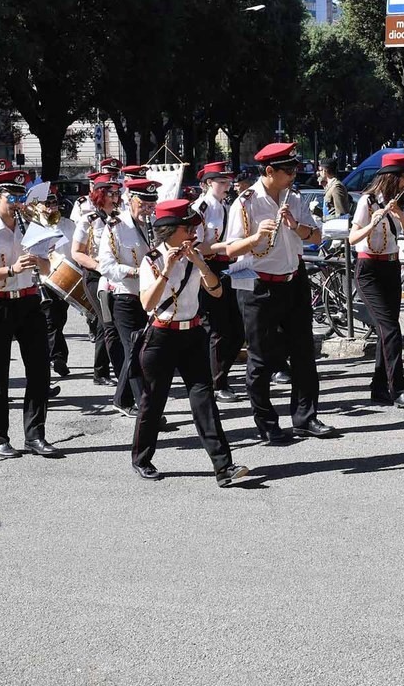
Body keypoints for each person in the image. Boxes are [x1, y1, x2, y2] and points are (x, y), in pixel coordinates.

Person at [132, 199, 250, 487]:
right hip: (161, 335)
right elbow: (147, 303)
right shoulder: (151, 260)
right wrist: (167, 268)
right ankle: (141, 459)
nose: (193, 233)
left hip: (193, 334)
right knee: (153, 401)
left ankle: (223, 467)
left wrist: (199, 262)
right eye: (188, 228)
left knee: (204, 399)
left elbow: (217, 291)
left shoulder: (195, 256)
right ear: (171, 230)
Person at [225, 142, 337, 442]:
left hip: (293, 279)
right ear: (269, 170)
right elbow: (230, 249)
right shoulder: (246, 203)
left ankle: (305, 417)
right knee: (261, 359)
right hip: (258, 284)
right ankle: (266, 421)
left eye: (295, 168)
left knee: (303, 353)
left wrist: (295, 225)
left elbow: (315, 235)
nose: (294, 174)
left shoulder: (295, 197)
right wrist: (255, 238)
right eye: (288, 170)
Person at [0, 170, 64, 460]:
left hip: (29, 300)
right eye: (13, 197)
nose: (19, 202)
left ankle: (36, 435)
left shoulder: (32, 225)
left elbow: (48, 268)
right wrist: (11, 270)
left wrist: (39, 261)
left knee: (39, 370)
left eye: (22, 196)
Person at [348, 153, 404, 408]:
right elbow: (353, 238)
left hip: (391, 266)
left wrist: (399, 214)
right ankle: (398, 388)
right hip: (368, 269)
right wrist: (374, 222)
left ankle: (379, 389)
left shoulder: (402, 202)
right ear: (392, 177)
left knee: (385, 332)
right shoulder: (367, 202)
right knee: (391, 330)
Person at [98, 177, 160, 418]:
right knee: (134, 350)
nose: (148, 209)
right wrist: (135, 271)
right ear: (130, 200)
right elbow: (107, 266)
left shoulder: (152, 223)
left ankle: (121, 399)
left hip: (148, 296)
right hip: (124, 295)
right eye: (143, 204)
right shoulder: (115, 226)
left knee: (139, 349)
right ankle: (146, 409)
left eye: (151, 205)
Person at [192, 161, 247, 403]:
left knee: (240, 325)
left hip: (232, 264)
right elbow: (196, 247)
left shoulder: (226, 205)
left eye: (228, 182)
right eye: (222, 182)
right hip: (210, 266)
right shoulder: (200, 209)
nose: (228, 186)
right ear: (207, 183)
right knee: (218, 327)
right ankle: (217, 383)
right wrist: (226, 246)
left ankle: (218, 374)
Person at [72, 174, 122, 387]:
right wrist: (98, 266)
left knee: (108, 324)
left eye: (117, 193)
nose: (116, 197)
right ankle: (110, 372)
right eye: (111, 193)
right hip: (95, 277)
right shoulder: (89, 221)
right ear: (100, 195)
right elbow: (77, 252)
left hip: (116, 276)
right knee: (106, 322)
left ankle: (103, 371)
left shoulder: (121, 218)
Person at [39, 185, 72, 378]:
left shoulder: (68, 224)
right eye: (48, 203)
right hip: (45, 279)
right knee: (50, 321)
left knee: (59, 321)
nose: (52, 206)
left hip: (66, 277)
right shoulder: (34, 225)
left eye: (54, 202)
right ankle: (57, 358)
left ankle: (57, 356)